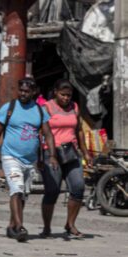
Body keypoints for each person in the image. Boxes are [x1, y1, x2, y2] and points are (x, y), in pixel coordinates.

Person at [0, 77, 57, 242]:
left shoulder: (39, 111)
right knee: (16, 190)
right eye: (21, 90)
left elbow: (48, 135)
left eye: (27, 91)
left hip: (30, 161)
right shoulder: (8, 108)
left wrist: (52, 156)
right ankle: (20, 226)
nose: (23, 94)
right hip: (10, 156)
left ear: (33, 92)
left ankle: (12, 227)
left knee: (23, 195)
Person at [40, 79, 92, 238]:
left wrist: (85, 152)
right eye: (63, 95)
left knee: (78, 187)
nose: (66, 98)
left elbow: (79, 131)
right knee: (52, 190)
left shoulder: (74, 107)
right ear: (55, 92)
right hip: (51, 154)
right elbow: (40, 132)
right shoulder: (46, 108)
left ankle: (70, 224)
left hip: (71, 153)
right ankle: (47, 227)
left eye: (69, 95)